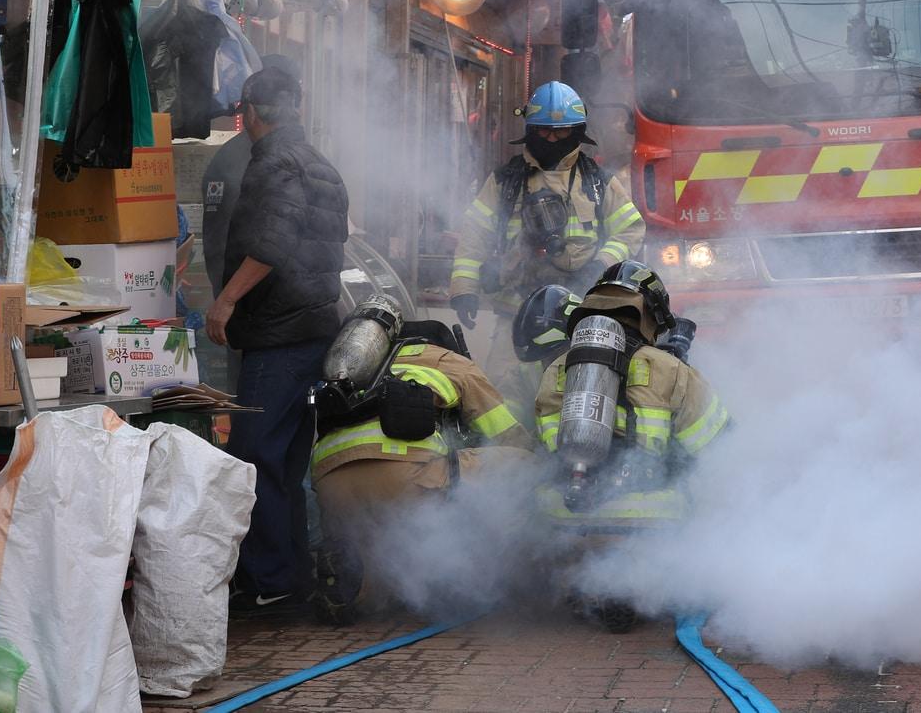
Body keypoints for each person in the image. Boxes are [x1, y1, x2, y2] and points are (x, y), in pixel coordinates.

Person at [206, 66, 349, 610]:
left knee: (252, 456)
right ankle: (290, 575)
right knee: (286, 461)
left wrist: (226, 299)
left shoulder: (274, 164)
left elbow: (272, 242)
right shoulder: (321, 164)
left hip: (277, 335)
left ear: (251, 112)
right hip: (315, 330)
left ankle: (270, 579)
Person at [527, 262, 728, 631]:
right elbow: (717, 445)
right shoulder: (668, 367)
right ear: (650, 314)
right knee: (710, 489)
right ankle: (645, 583)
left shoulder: (556, 368)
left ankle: (584, 580)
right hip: (648, 518)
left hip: (568, 512)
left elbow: (544, 445)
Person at [311, 317, 532, 624]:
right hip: (403, 482)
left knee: (378, 590)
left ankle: (353, 586)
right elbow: (505, 431)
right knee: (522, 463)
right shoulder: (448, 361)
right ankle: (490, 576)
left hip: (331, 487)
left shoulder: (360, 366)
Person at [448, 81, 644, 400]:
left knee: (576, 393)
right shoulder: (506, 181)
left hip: (579, 313)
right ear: (530, 129)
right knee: (504, 395)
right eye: (544, 131)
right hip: (517, 313)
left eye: (561, 132)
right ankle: (509, 452)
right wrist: (464, 288)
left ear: (577, 131)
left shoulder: (596, 183)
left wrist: (598, 267)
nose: (552, 139)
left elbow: (631, 229)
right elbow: (474, 235)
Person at [202, 54, 303, 297]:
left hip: (271, 301)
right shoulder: (239, 158)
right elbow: (219, 233)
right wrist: (226, 293)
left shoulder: (287, 157)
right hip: (255, 299)